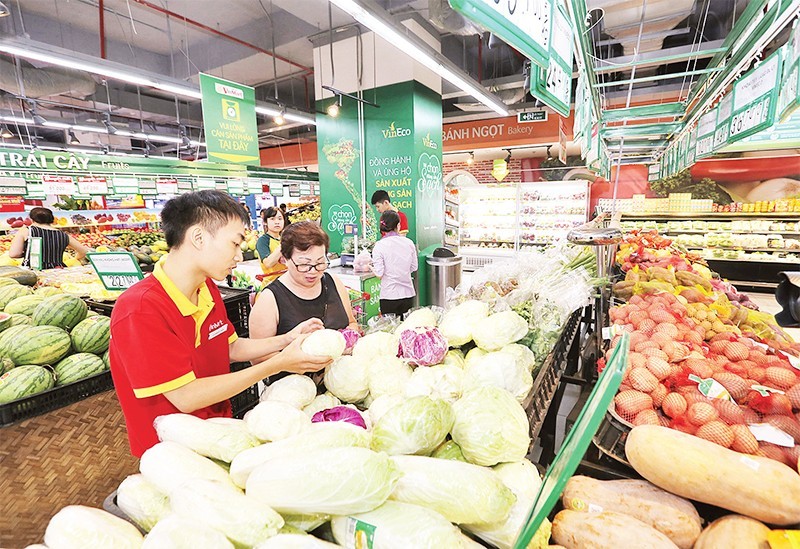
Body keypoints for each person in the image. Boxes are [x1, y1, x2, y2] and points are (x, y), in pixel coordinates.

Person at [109, 190, 330, 457]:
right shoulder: (140, 308)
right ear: (198, 238)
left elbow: (231, 348)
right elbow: (186, 396)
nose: (239, 256)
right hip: (172, 452)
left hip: (218, 434)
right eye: (235, 244)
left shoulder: (207, 289)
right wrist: (278, 363)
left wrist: (287, 339)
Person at [249, 221, 359, 350]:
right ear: (285, 259)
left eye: (320, 263)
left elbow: (351, 323)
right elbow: (259, 357)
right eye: (304, 264)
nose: (313, 271)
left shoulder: (333, 282)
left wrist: (346, 340)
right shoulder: (269, 299)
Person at [9, 207, 89, 269]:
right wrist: (75, 258)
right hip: (58, 270)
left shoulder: (26, 231)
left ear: (32, 220)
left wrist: (28, 253)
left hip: (34, 270)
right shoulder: (63, 235)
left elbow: (14, 254)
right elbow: (84, 251)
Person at [371, 211, 418, 317]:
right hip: (408, 294)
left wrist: (371, 268)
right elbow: (414, 267)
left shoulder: (379, 246)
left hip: (389, 295)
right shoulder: (409, 243)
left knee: (390, 329)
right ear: (398, 225)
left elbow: (379, 273)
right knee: (406, 329)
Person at [255, 207, 287, 286]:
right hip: (272, 284)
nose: (277, 222)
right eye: (272, 219)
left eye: (280, 219)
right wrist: (283, 245)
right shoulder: (263, 241)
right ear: (265, 222)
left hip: (287, 281)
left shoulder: (285, 238)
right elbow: (268, 263)